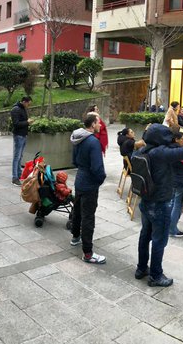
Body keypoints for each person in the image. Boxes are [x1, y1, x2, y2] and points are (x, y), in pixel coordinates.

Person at [134, 124, 183, 287]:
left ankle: (141, 269)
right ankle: (156, 275)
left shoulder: (144, 150)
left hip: (146, 201)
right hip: (159, 203)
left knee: (145, 235)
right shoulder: (160, 153)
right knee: (159, 240)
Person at [70, 113, 108, 264]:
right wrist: (100, 180)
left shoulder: (77, 137)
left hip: (80, 179)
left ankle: (75, 237)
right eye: (98, 122)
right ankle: (88, 253)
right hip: (89, 182)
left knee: (78, 210)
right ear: (92, 124)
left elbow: (74, 161)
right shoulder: (93, 142)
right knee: (88, 217)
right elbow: (97, 168)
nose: (100, 125)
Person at [10, 96, 33, 185]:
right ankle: (14, 178)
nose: (28, 106)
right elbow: (16, 123)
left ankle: (19, 174)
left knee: (20, 156)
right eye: (28, 103)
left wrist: (27, 122)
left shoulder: (22, 108)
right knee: (16, 157)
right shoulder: (16, 109)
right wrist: (27, 122)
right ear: (24, 101)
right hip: (19, 136)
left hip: (23, 135)